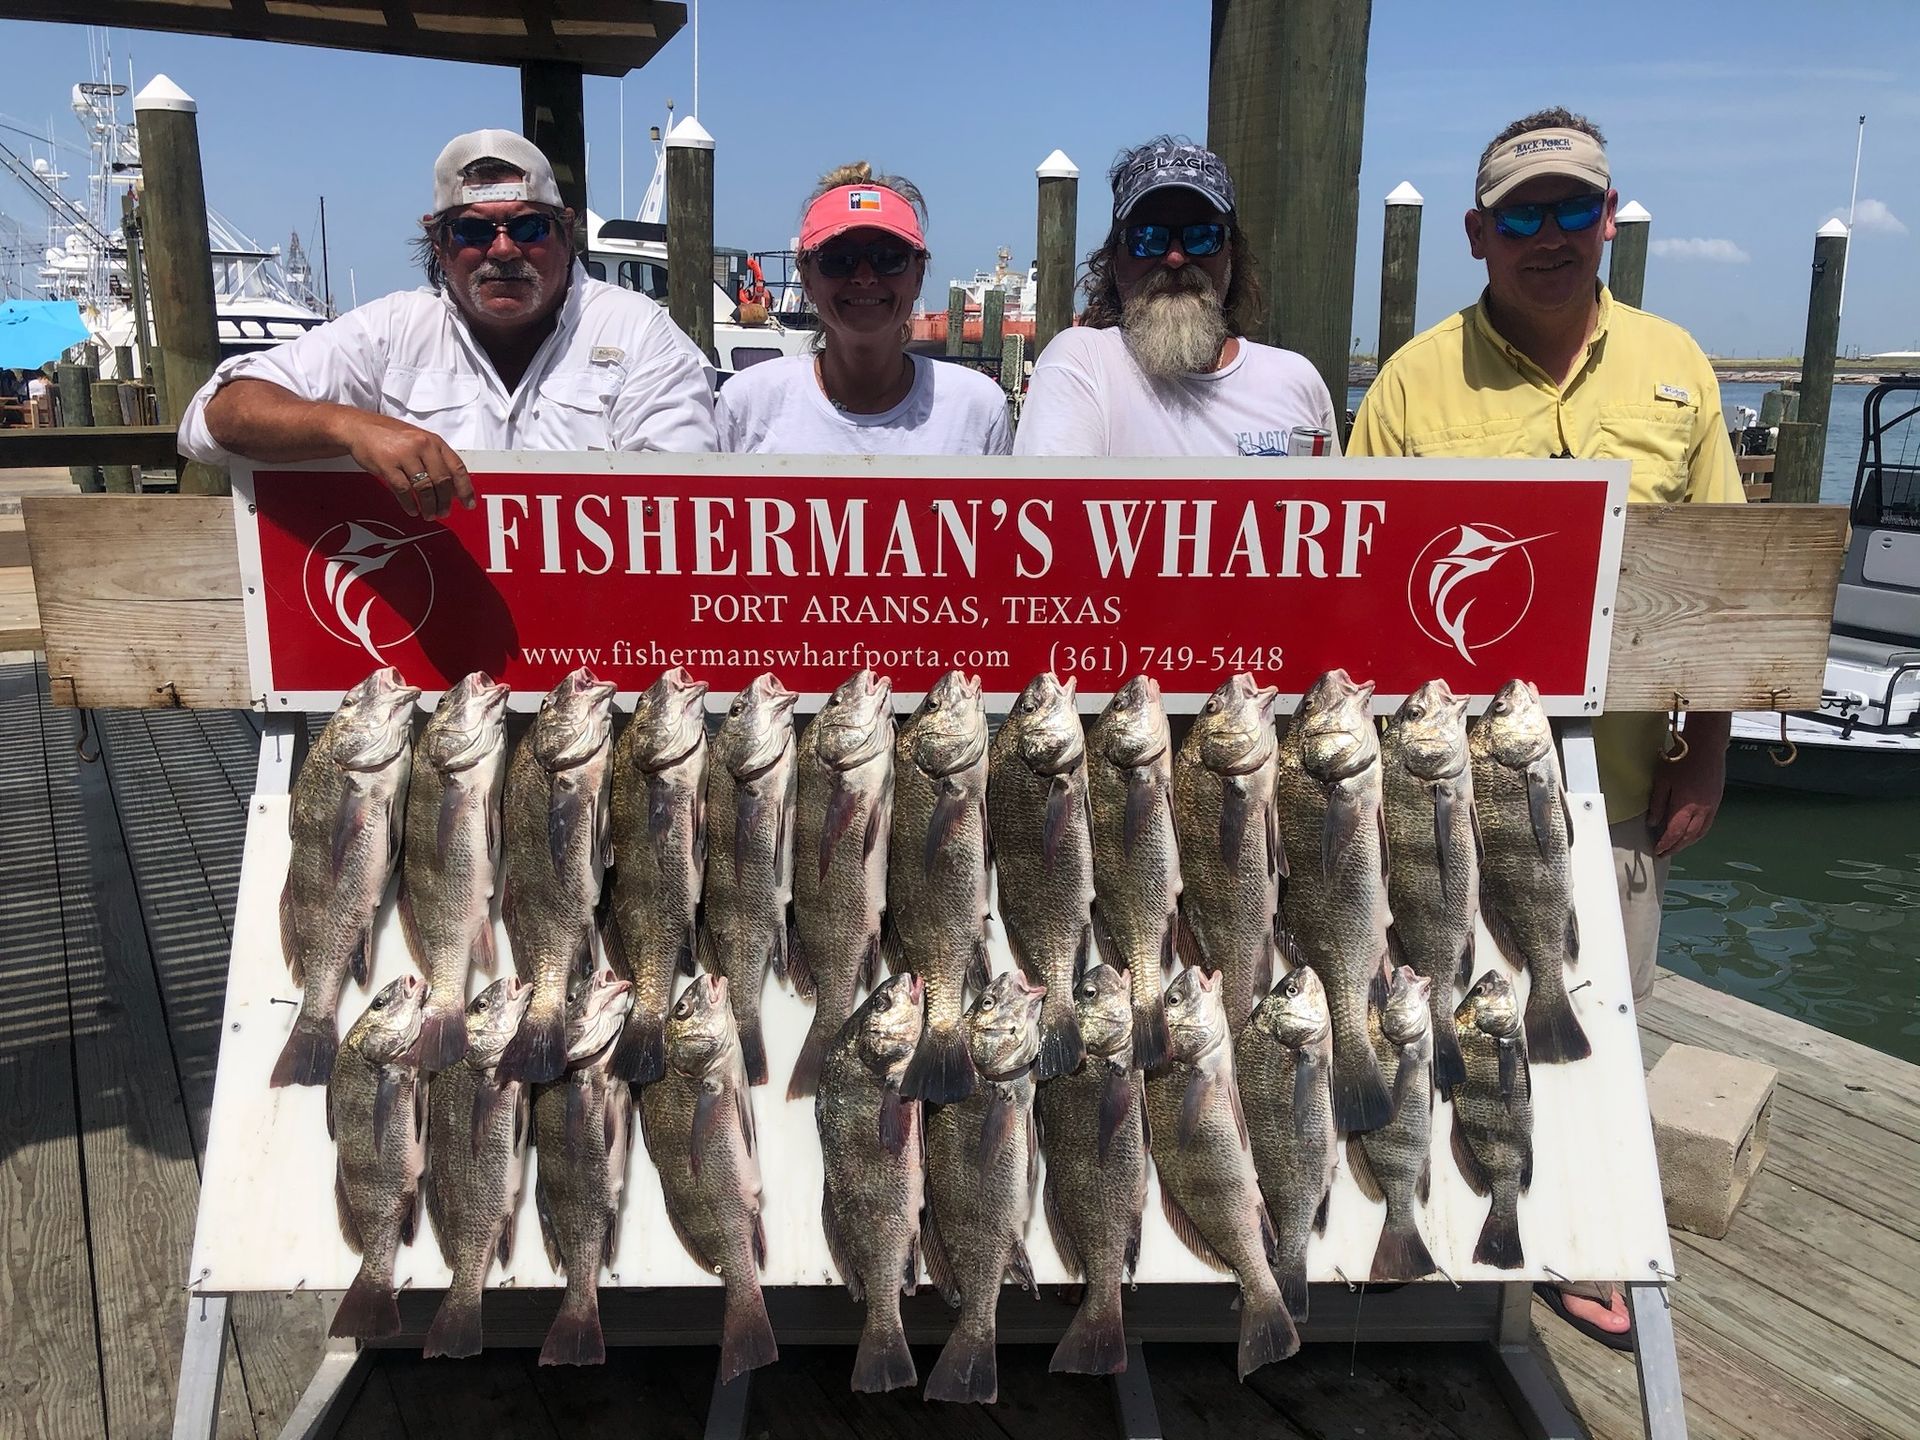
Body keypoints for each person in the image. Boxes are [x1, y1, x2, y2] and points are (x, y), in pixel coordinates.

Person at [1347, 107, 1743, 1349]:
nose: (1550, 235)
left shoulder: (1679, 364)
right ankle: (1402, 1210)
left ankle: (1574, 1232)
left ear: (1609, 220)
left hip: (1610, 784)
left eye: (1574, 209)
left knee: (1587, 1018)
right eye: (1523, 214)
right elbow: (1352, 589)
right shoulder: (1412, 381)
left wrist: (1712, 749)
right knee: (1425, 1005)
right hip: (1427, 797)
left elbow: (1723, 585)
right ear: (1478, 234)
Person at [180, 129, 717, 519]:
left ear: (566, 229)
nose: (503, 248)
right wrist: (350, 426)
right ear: (438, 241)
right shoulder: (389, 329)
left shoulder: (640, 332)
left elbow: (688, 500)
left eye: (528, 225)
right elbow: (214, 419)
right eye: (472, 232)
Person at [1013, 136, 1338, 457]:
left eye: (1202, 237)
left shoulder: (1298, 380)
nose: (1175, 257)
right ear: (1116, 259)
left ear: (1231, 253)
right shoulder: (1083, 364)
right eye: (1148, 238)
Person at [715, 162, 1011, 456]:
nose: (865, 276)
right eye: (838, 258)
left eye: (888, 257)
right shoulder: (746, 403)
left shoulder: (978, 408)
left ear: (918, 275)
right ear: (807, 279)